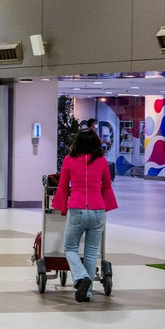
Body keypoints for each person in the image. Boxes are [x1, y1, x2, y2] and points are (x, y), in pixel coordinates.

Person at [51, 129, 117, 303]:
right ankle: (87, 294)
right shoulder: (102, 161)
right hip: (98, 210)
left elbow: (63, 186)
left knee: (70, 248)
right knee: (91, 253)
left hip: (77, 208)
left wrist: (60, 206)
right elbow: (107, 186)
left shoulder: (69, 160)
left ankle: (81, 278)